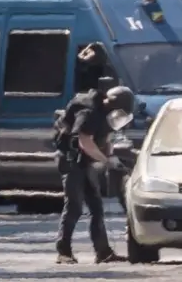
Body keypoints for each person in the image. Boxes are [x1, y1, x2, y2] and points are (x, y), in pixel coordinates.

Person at [54, 45, 135, 264]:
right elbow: (84, 141)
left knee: (97, 208)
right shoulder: (89, 112)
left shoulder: (106, 114)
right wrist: (106, 160)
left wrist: (112, 156)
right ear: (112, 104)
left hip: (85, 160)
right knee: (74, 207)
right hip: (71, 160)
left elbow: (104, 139)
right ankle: (63, 251)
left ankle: (103, 252)